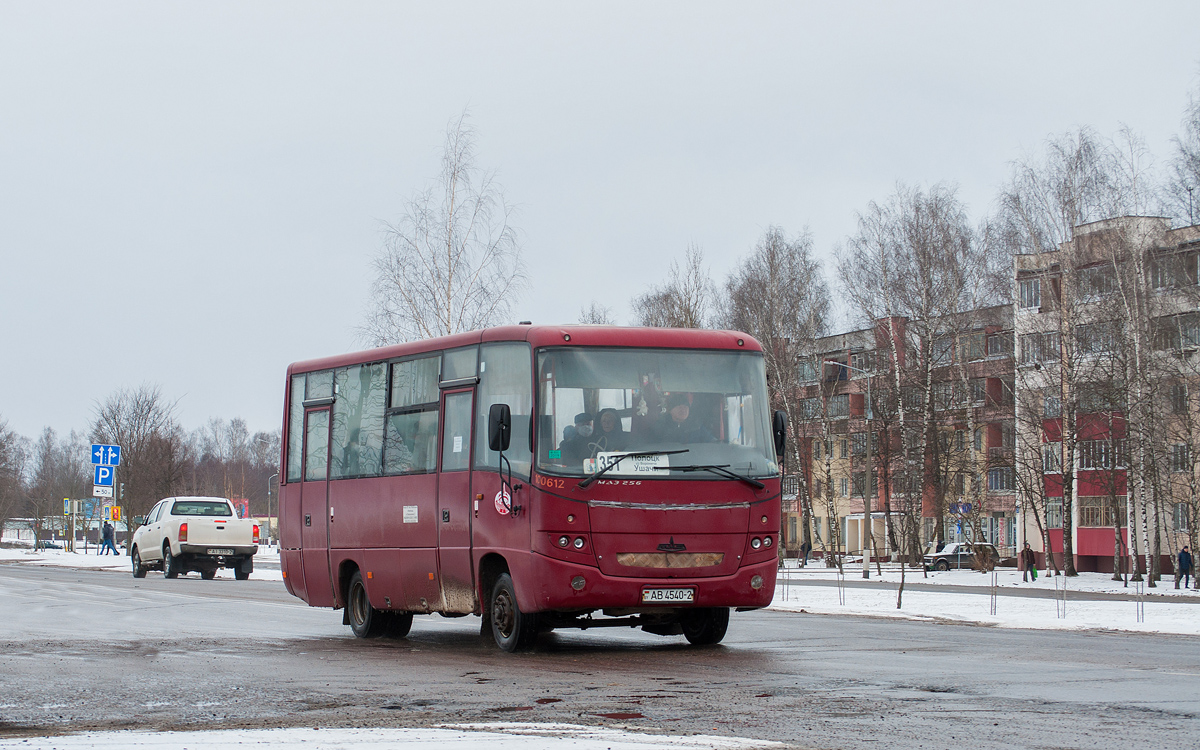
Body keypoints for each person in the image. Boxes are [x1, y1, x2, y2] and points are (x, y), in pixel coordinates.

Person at [651, 393, 715, 444]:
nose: (683, 410)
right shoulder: (661, 427)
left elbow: (712, 442)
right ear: (670, 410)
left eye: (685, 407)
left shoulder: (697, 427)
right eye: (679, 407)